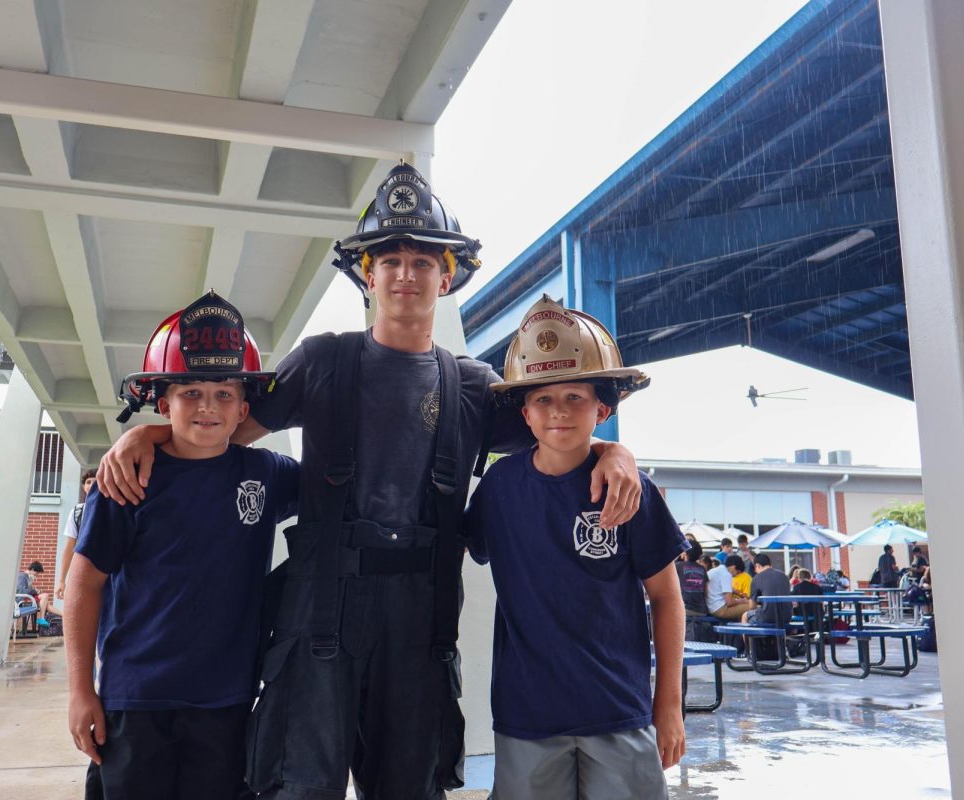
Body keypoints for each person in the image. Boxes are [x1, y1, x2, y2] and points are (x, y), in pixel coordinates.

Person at [94, 163, 644, 800]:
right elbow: (217, 436)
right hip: (319, 617)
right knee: (301, 787)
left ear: (448, 274)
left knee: (409, 789)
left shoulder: (471, 387)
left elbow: (558, 429)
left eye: (422, 261)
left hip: (421, 625)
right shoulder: (320, 362)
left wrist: (613, 451)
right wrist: (147, 433)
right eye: (389, 260)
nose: (405, 274)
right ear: (366, 272)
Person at [65, 292, 299, 799]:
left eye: (223, 393)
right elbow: (83, 585)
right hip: (134, 701)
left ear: (244, 407)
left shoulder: (267, 474)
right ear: (162, 400)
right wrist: (81, 690)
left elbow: (341, 492)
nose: (207, 406)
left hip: (227, 703)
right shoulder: (127, 481)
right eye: (190, 392)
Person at [464, 296, 684, 799]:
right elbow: (456, 544)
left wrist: (667, 705)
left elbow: (667, 599)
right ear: (524, 412)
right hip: (527, 715)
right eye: (542, 399)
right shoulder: (499, 489)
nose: (558, 411)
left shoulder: (631, 490)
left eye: (575, 398)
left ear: (602, 409)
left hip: (618, 710)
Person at [56, 468, 97, 602]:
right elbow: (70, 546)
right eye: (88, 482)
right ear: (84, 487)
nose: (92, 485)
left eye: (96, 481)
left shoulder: (114, 507)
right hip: (82, 567)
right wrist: (62, 580)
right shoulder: (77, 512)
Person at [745, 553, 791, 628]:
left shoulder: (756, 578)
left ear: (757, 566)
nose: (755, 571)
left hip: (768, 617)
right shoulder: (784, 576)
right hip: (786, 617)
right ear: (770, 564)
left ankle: (751, 640)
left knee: (745, 616)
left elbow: (752, 606)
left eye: (755, 568)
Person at [706, 554, 751, 620]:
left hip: (711, 607)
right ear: (733, 567)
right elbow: (730, 602)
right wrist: (742, 601)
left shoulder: (716, 570)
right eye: (737, 572)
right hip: (720, 609)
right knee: (755, 607)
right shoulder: (726, 574)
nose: (735, 576)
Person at [677, 540, 709, 617]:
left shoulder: (678, 566)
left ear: (685, 552)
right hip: (701, 611)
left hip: (685, 610)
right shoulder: (702, 569)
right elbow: (706, 592)